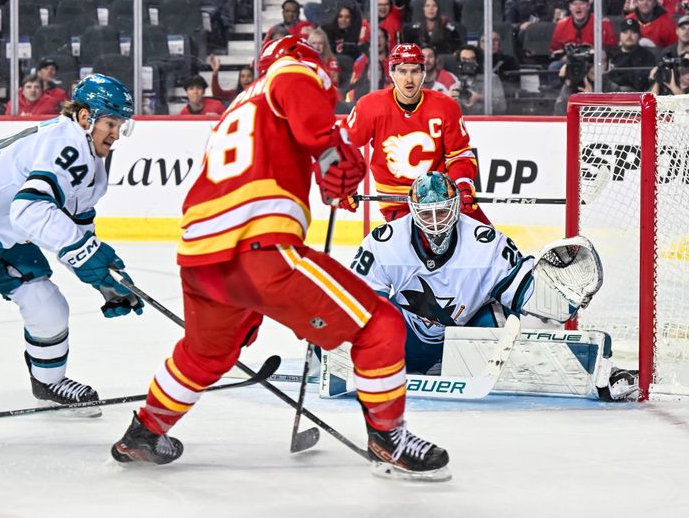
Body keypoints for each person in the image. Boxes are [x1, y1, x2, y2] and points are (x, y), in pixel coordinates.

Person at [110, 36, 450, 481]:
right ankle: (390, 439)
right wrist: (332, 151)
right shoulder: (291, 71)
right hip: (259, 249)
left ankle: (144, 432)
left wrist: (328, 165)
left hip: (201, 257)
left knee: (203, 355)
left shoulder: (238, 109)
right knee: (380, 326)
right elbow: (316, 129)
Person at [349, 172, 640, 400]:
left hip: (464, 347)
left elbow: (528, 294)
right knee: (368, 315)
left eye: (443, 212)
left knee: (504, 318)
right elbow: (357, 304)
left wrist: (562, 300)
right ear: (413, 211)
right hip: (404, 344)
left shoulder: (486, 243)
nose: (436, 223)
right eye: (427, 214)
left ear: (456, 207)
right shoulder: (385, 242)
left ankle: (596, 374)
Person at [0, 74, 143, 410]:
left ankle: (49, 382)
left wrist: (104, 279)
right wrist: (86, 254)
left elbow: (75, 226)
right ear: (85, 117)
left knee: (47, 306)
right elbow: (30, 208)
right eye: (110, 123)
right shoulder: (66, 143)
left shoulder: (91, 160)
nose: (115, 134)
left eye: (120, 125)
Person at [341, 42, 490, 225]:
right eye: (402, 71)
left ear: (424, 73)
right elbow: (342, 146)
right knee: (420, 250)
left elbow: (459, 155)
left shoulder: (446, 106)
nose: (409, 79)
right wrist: (343, 185)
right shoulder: (370, 106)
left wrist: (463, 184)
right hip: (397, 205)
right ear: (392, 73)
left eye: (415, 71)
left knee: (491, 243)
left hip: (443, 199)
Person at [550, 0, 617, 66]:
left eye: (582, 3)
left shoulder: (602, 23)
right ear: (570, 7)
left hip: (594, 63)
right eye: (574, 4)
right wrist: (567, 59)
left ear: (588, 6)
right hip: (570, 64)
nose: (578, 7)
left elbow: (610, 49)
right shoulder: (561, 25)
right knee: (554, 66)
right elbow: (555, 50)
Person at [450, 45, 507, 115]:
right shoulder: (456, 82)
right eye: (464, 60)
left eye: (472, 59)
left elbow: (502, 106)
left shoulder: (491, 79)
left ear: (477, 61)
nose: (468, 63)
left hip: (487, 122)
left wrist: (480, 98)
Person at [607, 18, 657, 91]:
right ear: (619, 35)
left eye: (633, 32)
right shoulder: (611, 55)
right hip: (613, 97)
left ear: (639, 35)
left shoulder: (647, 56)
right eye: (625, 32)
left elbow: (648, 82)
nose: (629, 36)